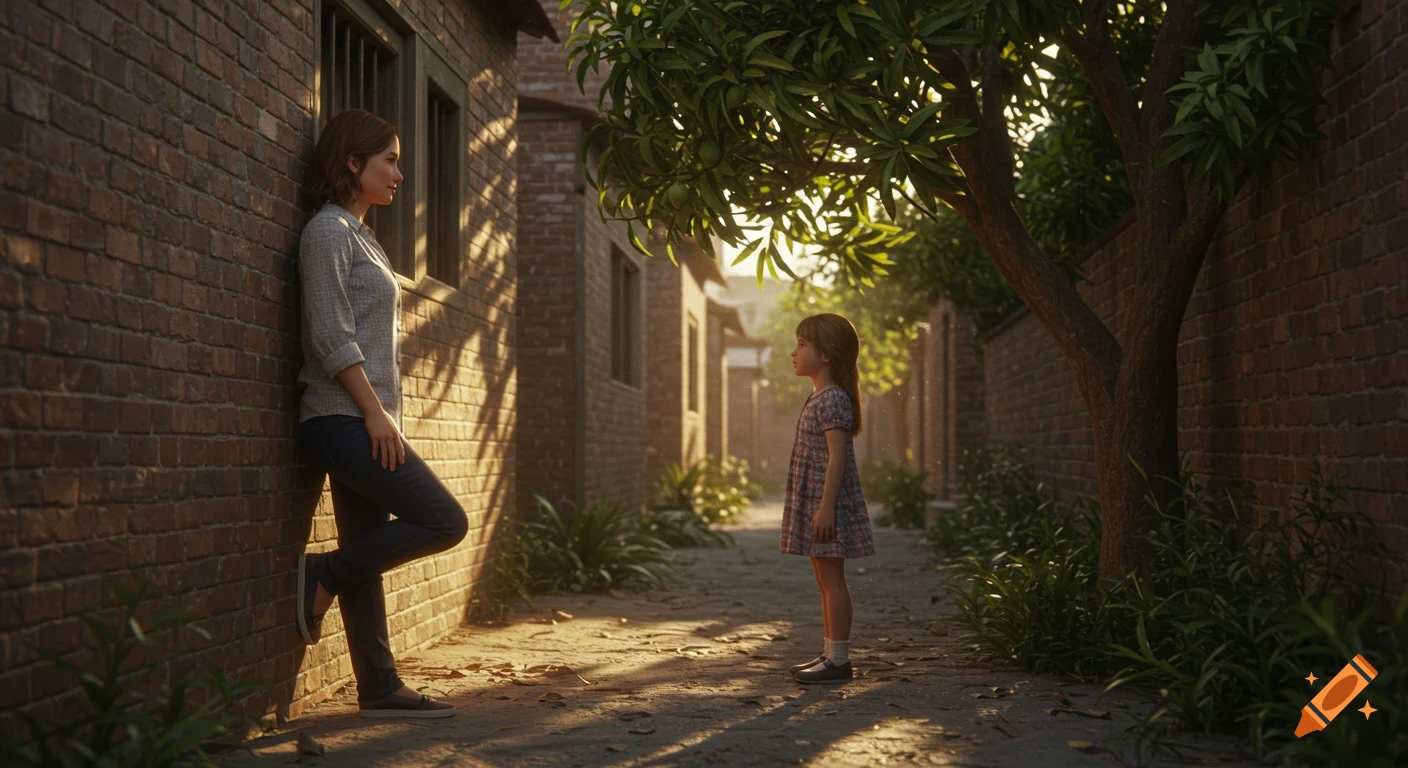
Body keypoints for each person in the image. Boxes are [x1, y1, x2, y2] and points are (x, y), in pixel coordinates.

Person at [293, 108, 467, 718]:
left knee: (367, 542)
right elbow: (331, 335)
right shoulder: (328, 233)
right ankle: (324, 573)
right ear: (351, 163)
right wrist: (374, 414)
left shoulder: (362, 236)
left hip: (362, 419)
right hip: (338, 418)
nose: (399, 171)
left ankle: (379, 686)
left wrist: (383, 414)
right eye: (389, 159)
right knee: (446, 521)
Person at [780, 313, 876, 684]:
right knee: (824, 579)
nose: (794, 352)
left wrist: (825, 508)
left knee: (833, 580)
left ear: (827, 355)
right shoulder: (820, 396)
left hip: (827, 504)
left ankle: (839, 660)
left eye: (803, 345)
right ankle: (829, 653)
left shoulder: (833, 399)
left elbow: (838, 458)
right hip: (819, 501)